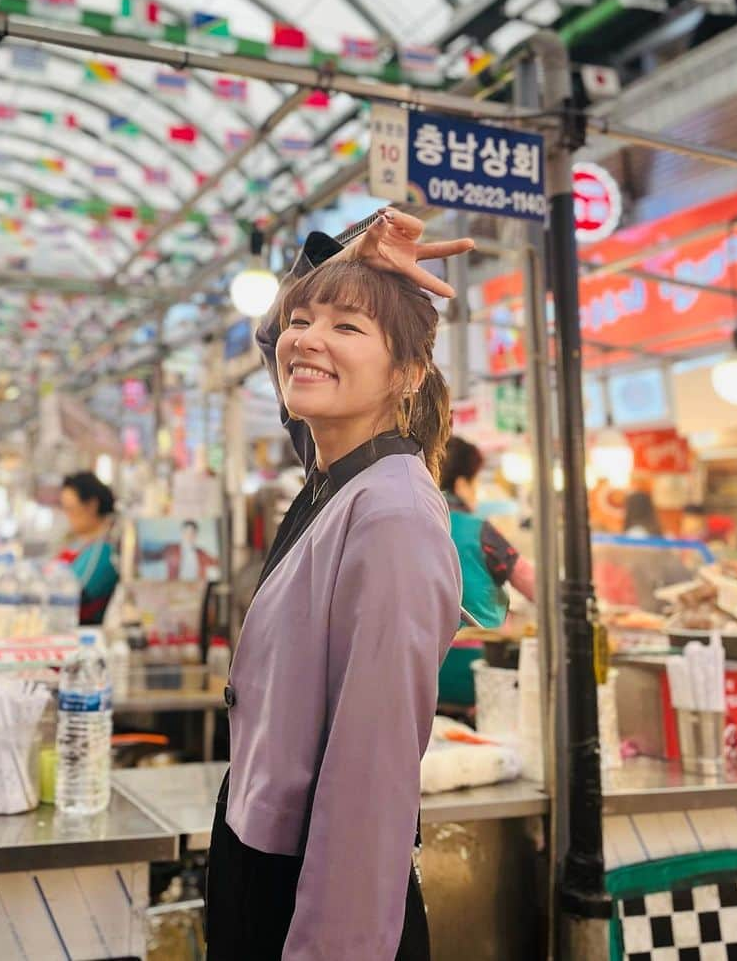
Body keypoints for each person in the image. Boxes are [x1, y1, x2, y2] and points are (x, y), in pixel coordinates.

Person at [205, 207, 471, 960]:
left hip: (315, 893)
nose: (307, 340)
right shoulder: (337, 467)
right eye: (306, 320)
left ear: (407, 374)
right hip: (257, 854)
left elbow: (371, 776)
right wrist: (348, 257)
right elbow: (274, 337)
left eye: (348, 328)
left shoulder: (390, 513)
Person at [437, 437, 536, 707]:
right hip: (475, 671)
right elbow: (534, 584)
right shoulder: (479, 530)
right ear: (461, 484)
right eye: (475, 483)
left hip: (422, 671)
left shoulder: (412, 524)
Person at [57, 471, 119, 624]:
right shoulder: (79, 542)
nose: (67, 516)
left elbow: (76, 595)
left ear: (91, 506)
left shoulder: (104, 550)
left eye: (71, 509)